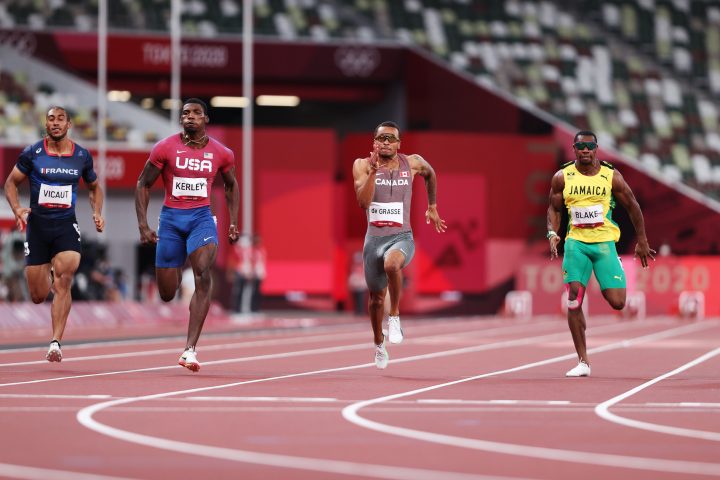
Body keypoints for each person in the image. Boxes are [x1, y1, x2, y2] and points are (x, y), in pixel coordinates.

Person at [135, 98, 239, 372]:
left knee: (203, 273)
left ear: (205, 119)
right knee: (167, 293)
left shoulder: (222, 153)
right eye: (185, 113)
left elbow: (231, 186)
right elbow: (143, 183)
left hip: (201, 219)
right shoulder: (165, 148)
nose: (189, 117)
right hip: (171, 220)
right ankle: (176, 265)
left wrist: (232, 222)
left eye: (195, 113)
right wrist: (143, 225)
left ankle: (190, 349)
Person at [547, 130, 655, 377]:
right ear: (573, 149)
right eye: (581, 146)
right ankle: (583, 361)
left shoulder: (611, 176)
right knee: (573, 299)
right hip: (576, 244)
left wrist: (642, 240)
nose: (585, 150)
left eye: (590, 146)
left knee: (618, 303)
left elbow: (632, 206)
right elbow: (553, 208)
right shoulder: (562, 177)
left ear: (596, 149)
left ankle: (612, 265)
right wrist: (552, 233)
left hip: (605, 243)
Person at [3, 106, 105, 361]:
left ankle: (55, 342)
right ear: (46, 124)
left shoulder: (81, 156)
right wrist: (16, 209)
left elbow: (94, 187)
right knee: (38, 296)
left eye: (60, 119)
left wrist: (97, 212)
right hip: (37, 227)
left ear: (69, 124)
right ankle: (48, 269)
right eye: (51, 119)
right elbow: (11, 183)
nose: (55, 123)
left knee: (65, 280)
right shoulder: (33, 153)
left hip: (65, 225)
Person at [352, 121, 446, 369]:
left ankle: (394, 316)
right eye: (381, 138)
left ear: (398, 143)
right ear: (374, 142)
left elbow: (431, 173)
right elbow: (363, 202)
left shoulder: (412, 162)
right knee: (374, 300)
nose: (385, 143)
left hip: (401, 237)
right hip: (373, 240)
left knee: (393, 265)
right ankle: (378, 344)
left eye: (390, 139)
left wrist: (432, 205)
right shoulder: (361, 165)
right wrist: (373, 172)